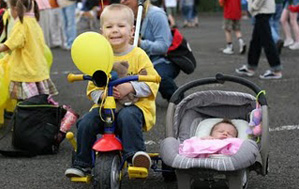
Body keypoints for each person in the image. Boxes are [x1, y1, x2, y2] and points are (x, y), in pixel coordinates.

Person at [65, 4, 159, 177]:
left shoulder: (138, 55)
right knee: (85, 122)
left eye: (121, 26)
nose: (115, 30)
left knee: (127, 116)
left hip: (134, 106)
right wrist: (101, 96)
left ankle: (135, 155)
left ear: (132, 31)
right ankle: (82, 163)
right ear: (102, 33)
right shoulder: (99, 57)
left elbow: (153, 82)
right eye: (109, 27)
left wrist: (130, 87)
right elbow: (92, 88)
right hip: (105, 108)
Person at [121, 0, 180, 102]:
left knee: (158, 76)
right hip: (140, 60)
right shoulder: (124, 17)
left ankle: (180, 101)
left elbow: (164, 46)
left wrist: (141, 43)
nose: (123, 0)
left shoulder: (156, 14)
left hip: (162, 60)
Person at [0, 0, 58, 101]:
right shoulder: (33, 21)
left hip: (26, 72)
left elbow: (10, 44)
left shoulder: (21, 24)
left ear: (15, 9)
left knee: (27, 104)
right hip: (38, 70)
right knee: (39, 102)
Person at [235, 0, 283, 79]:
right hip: (262, 10)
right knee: (256, 41)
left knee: (267, 41)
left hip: (262, 11)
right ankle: (251, 67)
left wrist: (253, 7)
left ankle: (276, 70)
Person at [179, 119, 243, 158]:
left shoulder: (232, 142)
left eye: (230, 134)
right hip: (203, 159)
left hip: (227, 159)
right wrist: (202, 140)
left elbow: (239, 147)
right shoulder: (207, 140)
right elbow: (193, 144)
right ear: (211, 134)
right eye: (221, 131)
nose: (225, 133)